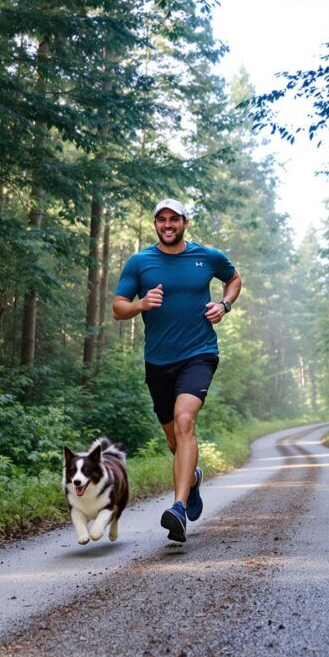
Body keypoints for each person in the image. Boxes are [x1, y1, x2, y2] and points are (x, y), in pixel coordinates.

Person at [112, 198, 242, 542]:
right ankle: (193, 477)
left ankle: (179, 508)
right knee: (173, 439)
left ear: (185, 222)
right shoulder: (140, 262)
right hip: (158, 362)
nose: (167, 224)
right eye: (161, 219)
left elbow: (234, 278)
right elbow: (117, 308)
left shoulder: (207, 256)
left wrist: (224, 305)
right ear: (156, 224)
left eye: (174, 219)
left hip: (199, 353)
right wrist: (140, 304)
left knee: (186, 422)